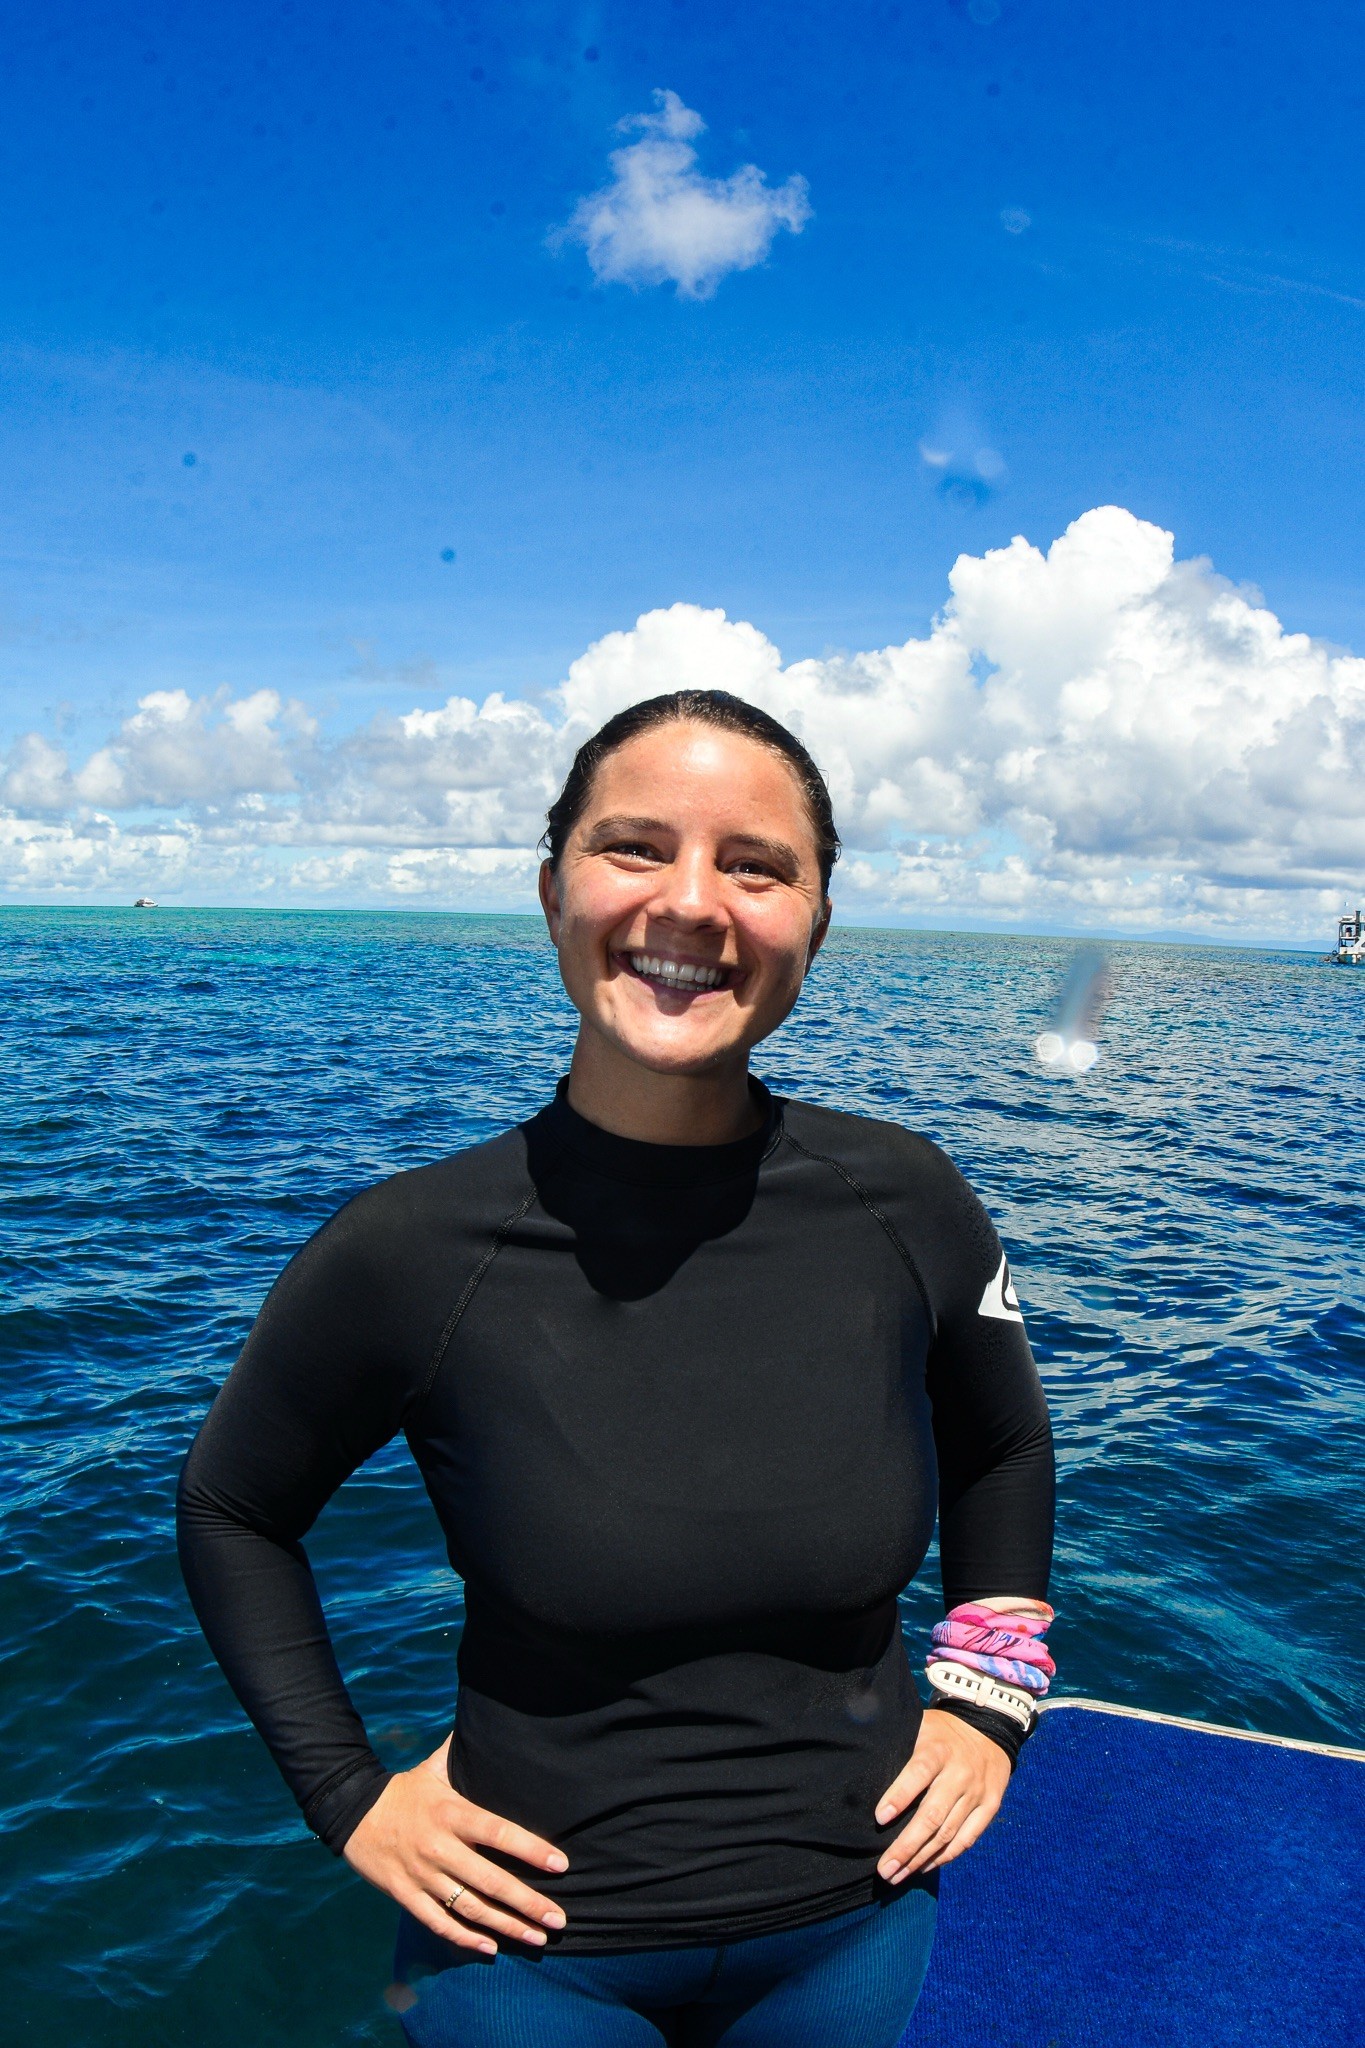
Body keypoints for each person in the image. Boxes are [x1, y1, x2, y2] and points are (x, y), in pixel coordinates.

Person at [177, 690, 1054, 2048]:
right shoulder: (409, 1249)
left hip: (856, 1921)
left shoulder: (907, 1200)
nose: (692, 904)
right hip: (528, 1956)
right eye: (634, 848)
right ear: (551, 891)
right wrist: (348, 1794)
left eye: (755, 865)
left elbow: (1000, 1445)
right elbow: (233, 1510)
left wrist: (992, 1693)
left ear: (816, 918)